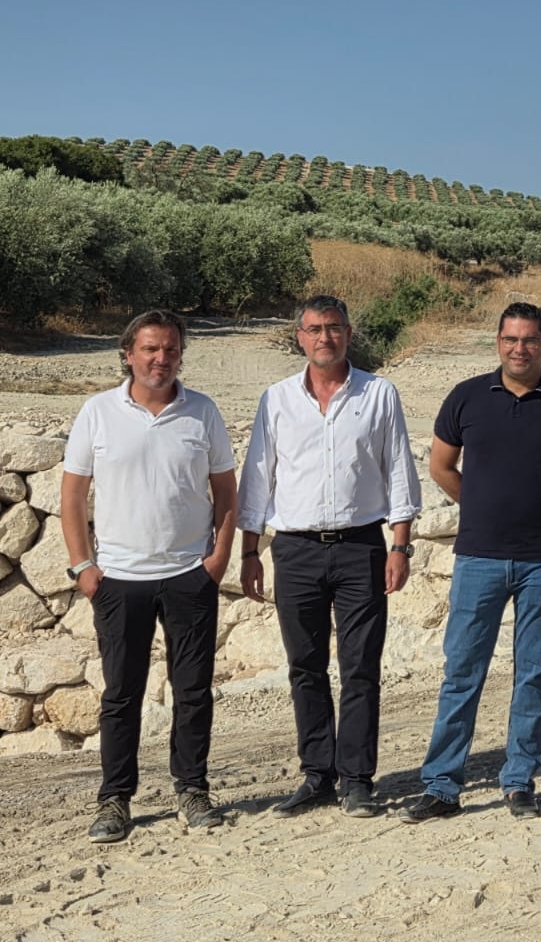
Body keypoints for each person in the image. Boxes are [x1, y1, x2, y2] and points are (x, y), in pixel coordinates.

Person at [401, 302, 541, 822]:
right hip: (479, 558)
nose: (520, 348)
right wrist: (482, 506)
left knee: (533, 672)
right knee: (462, 671)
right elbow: (442, 465)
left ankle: (519, 781)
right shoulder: (467, 397)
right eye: (511, 339)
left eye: (531, 339)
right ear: (498, 342)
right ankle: (442, 785)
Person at [238, 294, 422, 818]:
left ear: (348, 332)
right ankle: (318, 774)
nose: (325, 337)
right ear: (299, 336)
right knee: (305, 666)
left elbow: (399, 472)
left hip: (361, 546)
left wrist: (400, 544)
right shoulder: (275, 399)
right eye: (315, 329)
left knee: (360, 666)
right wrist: (250, 550)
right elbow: (257, 477)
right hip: (294, 550)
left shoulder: (379, 393)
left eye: (335, 328)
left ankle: (358, 778)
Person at [60, 310, 238, 843]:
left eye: (172, 350)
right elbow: (72, 496)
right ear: (128, 353)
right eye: (151, 350)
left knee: (193, 691)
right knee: (121, 694)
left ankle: (192, 788)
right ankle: (114, 800)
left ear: (182, 354)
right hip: (118, 578)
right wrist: (84, 568)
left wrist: (217, 560)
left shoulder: (202, 411)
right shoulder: (97, 412)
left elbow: (226, 492)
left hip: (189, 574)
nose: (162, 359)